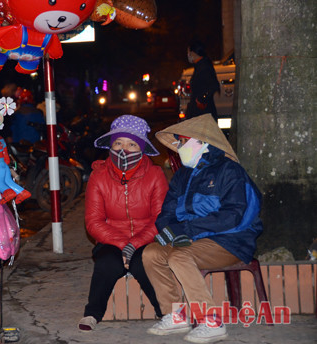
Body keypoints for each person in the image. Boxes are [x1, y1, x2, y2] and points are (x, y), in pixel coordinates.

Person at [142, 114, 263, 343]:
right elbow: (166, 212)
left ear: (203, 143)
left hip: (230, 240)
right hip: (192, 239)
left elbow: (233, 215)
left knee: (179, 257)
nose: (180, 147)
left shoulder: (230, 172)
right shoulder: (183, 175)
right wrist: (169, 232)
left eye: (184, 142)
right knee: (151, 254)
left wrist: (186, 230)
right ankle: (175, 315)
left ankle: (211, 321)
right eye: (178, 143)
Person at [78, 115, 169, 332]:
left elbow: (161, 218)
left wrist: (135, 243)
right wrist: (122, 244)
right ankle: (92, 313)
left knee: (143, 262)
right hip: (111, 238)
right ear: (111, 145)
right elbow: (93, 221)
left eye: (131, 144)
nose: (123, 150)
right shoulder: (98, 176)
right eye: (118, 143)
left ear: (142, 148)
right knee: (107, 263)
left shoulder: (155, 174)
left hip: (148, 238)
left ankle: (164, 312)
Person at [185, 41, 220, 121]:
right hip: (200, 112)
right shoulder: (199, 66)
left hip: (203, 113)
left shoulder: (204, 67)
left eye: (188, 52)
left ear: (193, 53)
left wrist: (201, 99)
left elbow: (213, 85)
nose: (188, 55)